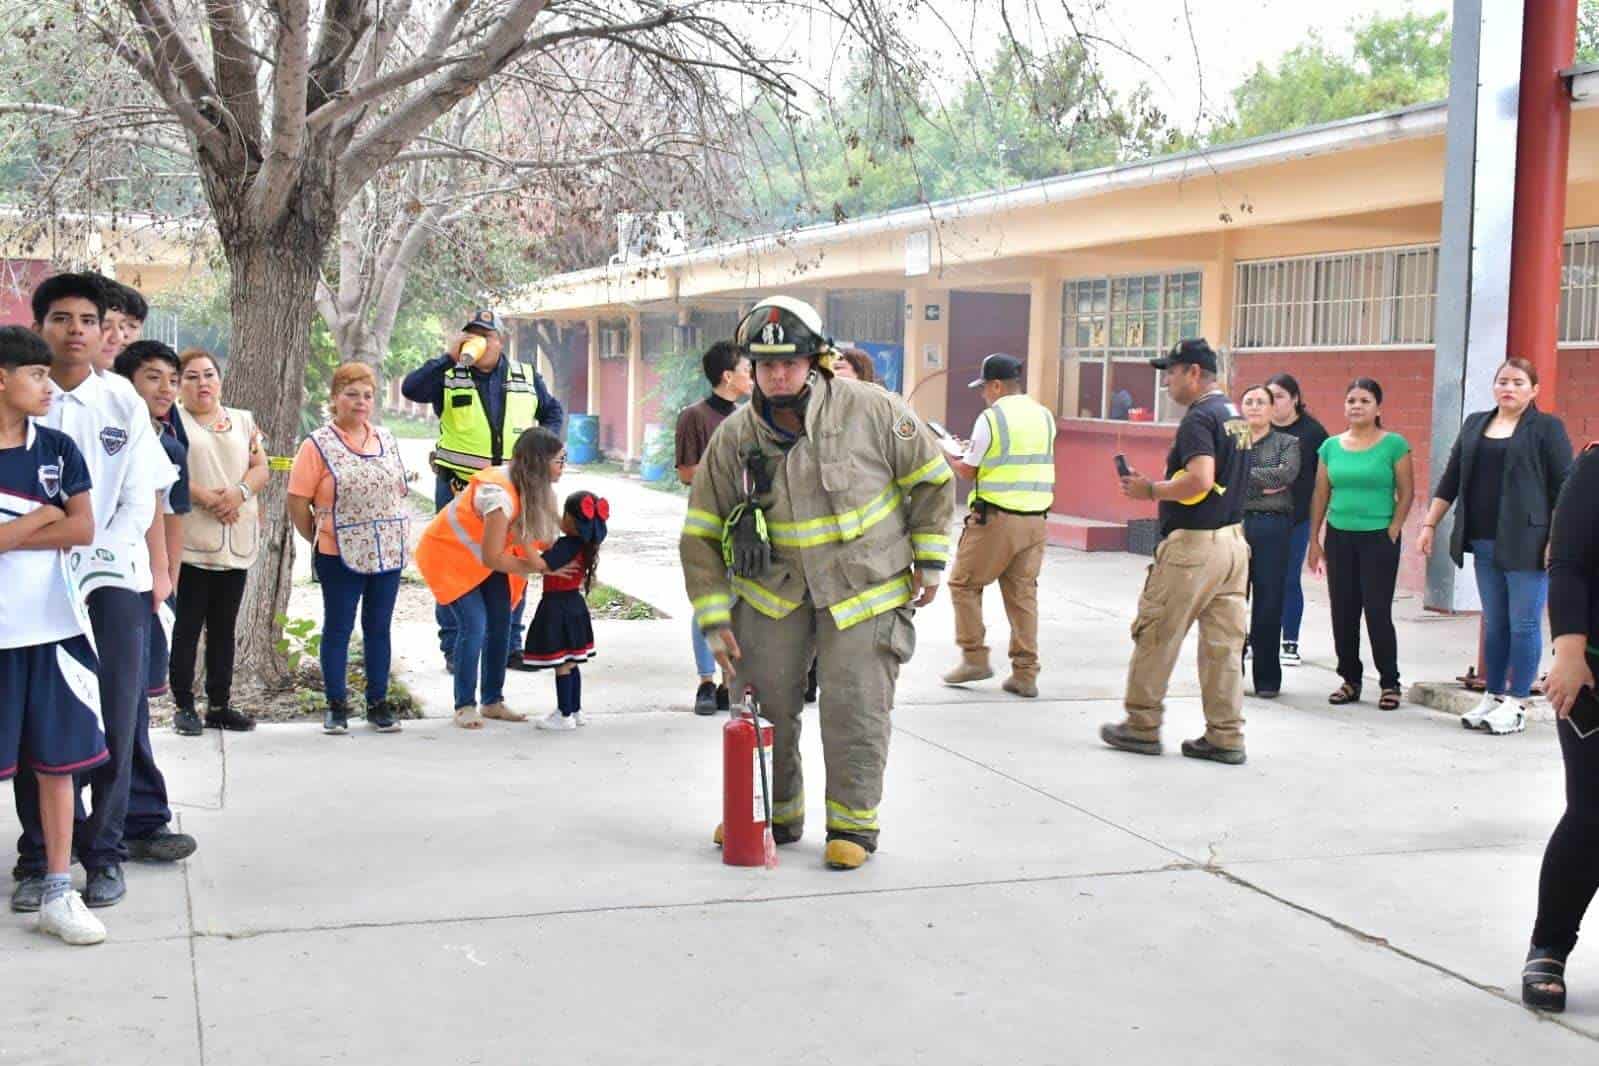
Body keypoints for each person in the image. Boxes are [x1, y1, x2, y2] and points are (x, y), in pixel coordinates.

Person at [682, 295, 955, 870]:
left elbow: (932, 480)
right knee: (761, 705)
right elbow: (701, 532)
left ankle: (854, 825)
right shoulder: (734, 437)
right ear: (751, 369)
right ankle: (773, 814)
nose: (778, 375)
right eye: (765, 365)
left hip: (865, 592)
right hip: (772, 594)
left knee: (854, 707)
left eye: (791, 363)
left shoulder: (873, 410)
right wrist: (713, 619)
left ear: (816, 361)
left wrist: (930, 560)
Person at [13, 273, 188, 915]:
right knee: (43, 722)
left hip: (115, 577)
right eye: (62, 319)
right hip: (34, 586)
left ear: (101, 329)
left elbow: (142, 495)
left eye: (88, 320)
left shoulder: (122, 402)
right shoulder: (21, 402)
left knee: (117, 716)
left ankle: (104, 853)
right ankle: (38, 857)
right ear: (41, 326)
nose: (77, 331)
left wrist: (101, 553)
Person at [0, 326, 108, 944]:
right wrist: (45, 513)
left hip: (55, 630)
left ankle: (59, 891)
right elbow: (60, 521)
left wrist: (47, 523)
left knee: (58, 765)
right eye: (36, 375)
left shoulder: (60, 446)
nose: (48, 385)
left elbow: (83, 528)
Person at [1101, 338, 1251, 766]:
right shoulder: (1235, 415)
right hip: (1233, 545)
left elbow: (1201, 479)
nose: (1167, 382)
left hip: (1194, 548)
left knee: (1157, 634)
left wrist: (1151, 490)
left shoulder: (1199, 419)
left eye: (1171, 372)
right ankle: (1225, 735)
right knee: (1223, 647)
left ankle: (1141, 725)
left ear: (1193, 373)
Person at [402, 309, 564, 676]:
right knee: (455, 566)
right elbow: (411, 389)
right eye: (472, 334)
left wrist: (542, 451)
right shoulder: (449, 375)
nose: (479, 341)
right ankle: (455, 645)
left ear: (499, 341)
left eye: (486, 335)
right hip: (461, 489)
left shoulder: (525, 375)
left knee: (515, 565)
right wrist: (448, 356)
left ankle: (509, 646)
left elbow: (553, 411)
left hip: (514, 488)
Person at [1419, 359, 1572, 735]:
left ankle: (1517, 702)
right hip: (1483, 539)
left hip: (1528, 543)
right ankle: (1491, 695)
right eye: (1503, 380)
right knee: (1496, 624)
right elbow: (1451, 477)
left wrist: (1557, 538)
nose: (1509, 387)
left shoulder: (1546, 428)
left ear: (1533, 390)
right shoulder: (1475, 423)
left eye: (1518, 382)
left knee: (1523, 624)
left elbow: (1565, 486)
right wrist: (1429, 524)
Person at [286, 363, 412, 736]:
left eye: (367, 395)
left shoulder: (386, 440)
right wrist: (319, 537)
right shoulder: (317, 445)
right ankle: (336, 704)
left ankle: (378, 702)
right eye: (351, 394)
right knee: (339, 628)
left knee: (379, 628)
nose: (360, 402)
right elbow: (297, 500)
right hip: (338, 553)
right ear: (335, 398)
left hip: (387, 552)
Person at [415, 426, 566, 728]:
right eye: (559, 460)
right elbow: (492, 556)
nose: (563, 466)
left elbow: (545, 536)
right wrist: (535, 568)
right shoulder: (497, 496)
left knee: (501, 625)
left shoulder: (535, 488)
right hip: (450, 559)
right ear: (539, 462)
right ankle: (464, 705)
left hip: (484, 563)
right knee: (474, 626)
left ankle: (492, 701)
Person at [1525, 443, 1599, 1013]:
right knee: (1592, 814)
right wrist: (1569, 651)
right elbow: (1567, 560)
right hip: (1593, 666)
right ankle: (1549, 947)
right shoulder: (1596, 463)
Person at [941, 352, 1054, 698]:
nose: (982, 395)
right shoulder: (1044, 415)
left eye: (984, 388)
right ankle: (1025, 673)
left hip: (997, 520)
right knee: (1022, 596)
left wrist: (947, 451)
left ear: (996, 385)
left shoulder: (991, 418)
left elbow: (968, 470)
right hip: (1036, 521)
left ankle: (974, 657)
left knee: (963, 583)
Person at [170, 349, 267, 734]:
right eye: (191, 377)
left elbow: (260, 467)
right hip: (193, 540)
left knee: (224, 628)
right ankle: (183, 705)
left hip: (235, 541)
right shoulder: (173, 421)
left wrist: (238, 494)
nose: (202, 383)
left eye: (208, 375)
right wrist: (209, 498)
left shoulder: (243, 421)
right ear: (180, 384)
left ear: (220, 380)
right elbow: (167, 470)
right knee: (187, 627)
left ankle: (220, 704)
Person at [1308, 378, 1414, 711]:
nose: (1356, 406)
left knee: (1377, 611)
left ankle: (1389, 683)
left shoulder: (1394, 444)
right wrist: (1315, 538)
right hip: (1339, 535)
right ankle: (1350, 680)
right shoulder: (1330, 447)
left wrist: (1394, 528)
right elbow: (1321, 493)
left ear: (1378, 408)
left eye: (1364, 400)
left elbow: (1407, 491)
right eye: (1351, 400)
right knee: (1343, 609)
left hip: (1379, 537)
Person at [675, 340, 753, 715]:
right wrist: (726, 475)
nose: (751, 378)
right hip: (709, 523)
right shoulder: (695, 417)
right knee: (708, 600)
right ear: (727, 376)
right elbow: (686, 472)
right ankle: (706, 682)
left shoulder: (749, 417)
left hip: (746, 526)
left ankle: (728, 684)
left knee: (738, 604)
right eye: (746, 371)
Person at [112, 342, 190, 706]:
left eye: (173, 380)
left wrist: (168, 578)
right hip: (109, 570)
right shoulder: (108, 433)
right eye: (154, 378)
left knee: (140, 685)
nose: (166, 389)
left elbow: (173, 516)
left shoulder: (171, 448)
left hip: (150, 577)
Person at [523, 490, 610, 731]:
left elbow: (541, 564)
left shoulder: (566, 545)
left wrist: (522, 538)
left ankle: (564, 714)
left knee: (562, 663)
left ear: (570, 520)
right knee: (571, 661)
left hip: (556, 606)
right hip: (574, 604)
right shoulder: (585, 545)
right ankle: (575, 709)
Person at [1238, 384, 1300, 698]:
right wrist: (1262, 483)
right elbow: (1224, 475)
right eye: (1248, 401)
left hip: (1273, 528)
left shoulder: (1288, 442)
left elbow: (1285, 476)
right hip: (1235, 527)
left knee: (1268, 603)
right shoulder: (1233, 440)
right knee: (1232, 603)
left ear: (1272, 408)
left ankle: (1267, 679)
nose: (1255, 407)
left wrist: (1244, 478)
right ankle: (1229, 676)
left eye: (1261, 401)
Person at [1266, 373, 1328, 667]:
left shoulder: (1313, 433)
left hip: (1297, 518)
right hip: (1257, 517)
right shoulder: (1256, 429)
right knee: (1259, 578)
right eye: (1269, 396)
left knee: (1289, 578)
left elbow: (1322, 483)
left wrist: (1316, 530)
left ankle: (1290, 641)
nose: (1272, 402)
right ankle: (1259, 637)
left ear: (1295, 398)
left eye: (1279, 396)